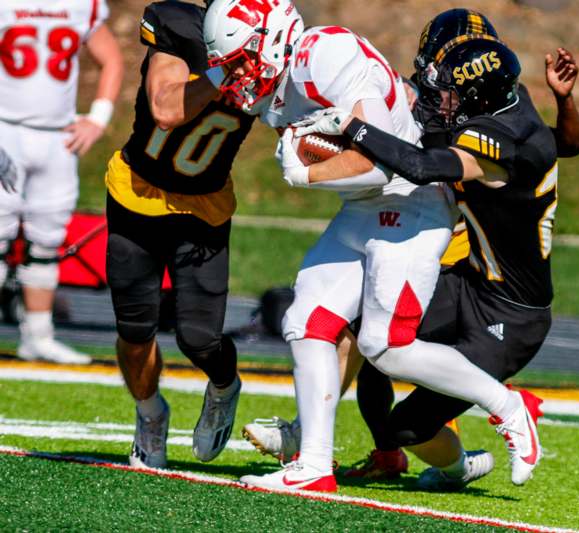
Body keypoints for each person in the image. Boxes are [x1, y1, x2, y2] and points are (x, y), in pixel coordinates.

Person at [205, 0, 544, 493]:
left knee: (385, 346)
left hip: (411, 202)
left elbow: (381, 162)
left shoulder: (323, 56)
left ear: (272, 36)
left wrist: (307, 173)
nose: (238, 76)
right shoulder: (274, 81)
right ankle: (313, 464)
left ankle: (509, 408)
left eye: (241, 60)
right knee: (307, 319)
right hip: (366, 208)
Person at [104, 0, 257, 469]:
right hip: (138, 194)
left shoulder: (281, 55)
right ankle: (150, 414)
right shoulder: (180, 29)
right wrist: (225, 73)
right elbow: (166, 108)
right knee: (135, 332)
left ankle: (225, 387)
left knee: (199, 339)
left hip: (204, 208)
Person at [0, 0, 123, 364]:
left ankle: (38, 335)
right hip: (6, 128)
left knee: (48, 238)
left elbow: (111, 58)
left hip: (57, 134)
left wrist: (98, 118)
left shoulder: (81, 4)